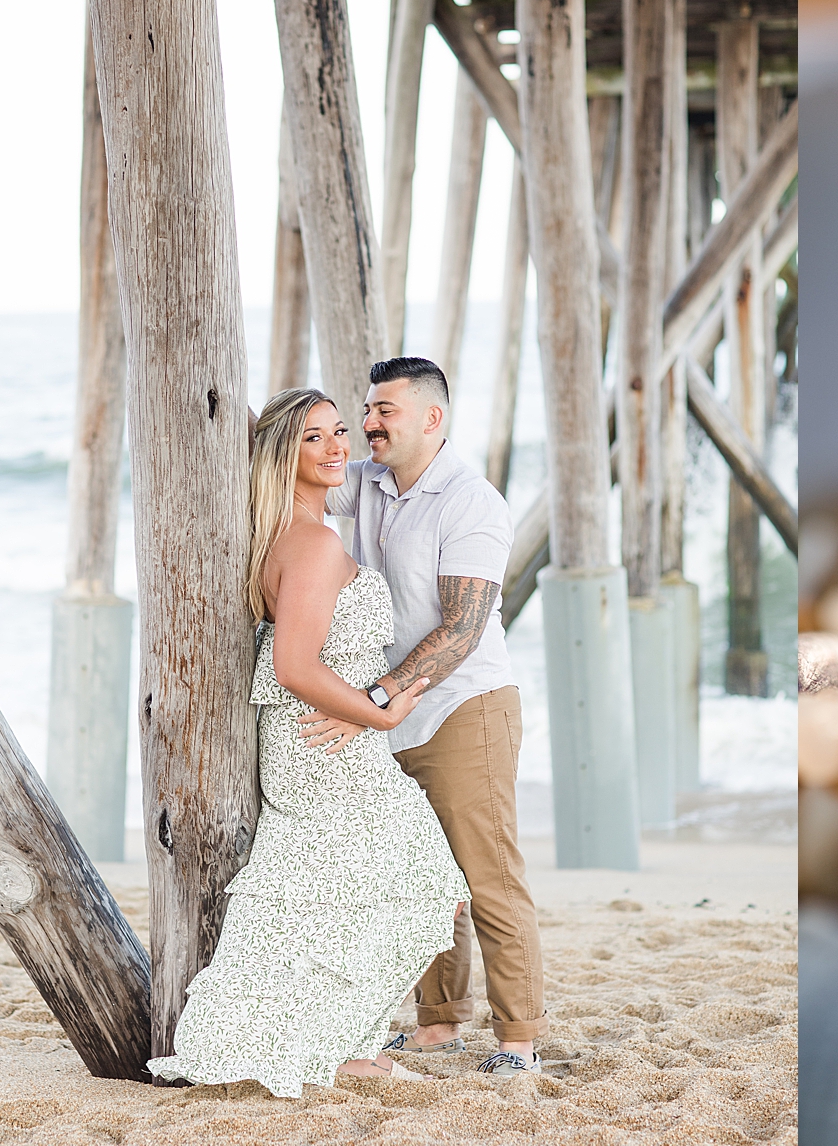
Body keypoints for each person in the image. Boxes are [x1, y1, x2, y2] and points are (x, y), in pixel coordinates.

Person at [145, 390, 469, 1098]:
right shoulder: (315, 545)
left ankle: (350, 1043)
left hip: (316, 741)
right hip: (322, 746)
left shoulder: (295, 537)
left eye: (339, 432)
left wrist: (368, 707)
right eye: (312, 437)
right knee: (419, 882)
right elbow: (294, 665)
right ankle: (338, 1045)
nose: (334, 448)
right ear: (281, 454)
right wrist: (378, 713)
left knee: (348, 892)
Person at [300, 356, 546, 1077]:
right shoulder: (370, 480)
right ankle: (439, 1024)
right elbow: (299, 474)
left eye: (385, 412)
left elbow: (462, 630)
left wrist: (368, 704)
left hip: (463, 707)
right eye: (367, 411)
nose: (368, 424)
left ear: (431, 419)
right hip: (391, 713)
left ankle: (519, 1043)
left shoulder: (472, 503)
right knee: (422, 876)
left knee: (486, 877)